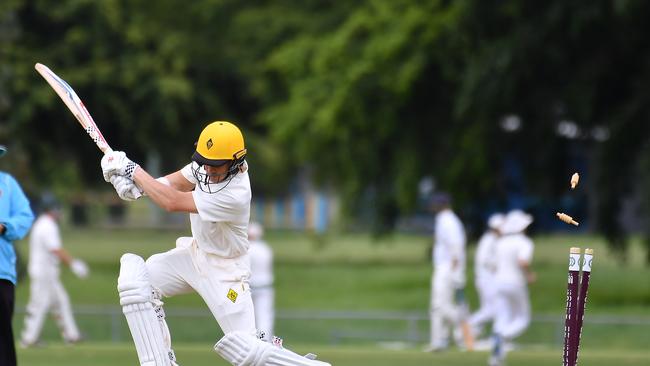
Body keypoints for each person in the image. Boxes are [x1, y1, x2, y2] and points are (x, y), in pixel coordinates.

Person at [101, 121, 330, 366]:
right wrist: (136, 188)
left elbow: (172, 202)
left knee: (249, 352)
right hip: (194, 255)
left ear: (236, 162)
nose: (208, 170)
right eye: (204, 162)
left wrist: (133, 171)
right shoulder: (208, 163)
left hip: (225, 272)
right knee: (137, 282)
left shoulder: (236, 194)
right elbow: (173, 183)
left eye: (216, 165)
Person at [21, 193, 89, 347]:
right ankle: (29, 338)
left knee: (61, 302)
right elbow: (55, 249)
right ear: (51, 209)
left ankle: (71, 335)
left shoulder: (42, 224)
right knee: (39, 304)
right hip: (43, 272)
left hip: (47, 272)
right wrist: (73, 264)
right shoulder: (47, 226)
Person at [0, 144, 35, 366]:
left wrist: (4, 226)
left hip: (2, 271)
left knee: (2, 336)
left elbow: (25, 217)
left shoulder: (7, 184)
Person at [488, 209, 536, 366]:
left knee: (502, 317)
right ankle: (502, 336)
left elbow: (493, 266)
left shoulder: (500, 242)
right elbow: (522, 261)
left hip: (498, 283)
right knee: (523, 318)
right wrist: (529, 275)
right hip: (515, 282)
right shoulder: (524, 242)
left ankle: (496, 357)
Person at [426, 192, 470, 352]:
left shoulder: (448, 221)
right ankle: (440, 340)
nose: (433, 206)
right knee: (439, 306)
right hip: (446, 267)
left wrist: (454, 269)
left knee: (439, 305)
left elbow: (456, 245)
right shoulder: (443, 219)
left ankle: (465, 327)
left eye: (436, 203)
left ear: (442, 204)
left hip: (448, 268)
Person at [469, 213, 505, 344]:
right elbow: (483, 259)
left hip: (489, 279)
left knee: (491, 309)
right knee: (491, 310)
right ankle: (467, 328)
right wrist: (496, 265)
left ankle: (473, 333)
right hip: (486, 279)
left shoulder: (494, 240)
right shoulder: (488, 240)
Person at [248, 222, 275, 341]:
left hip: (248, 287)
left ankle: (249, 340)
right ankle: (264, 340)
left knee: (247, 315)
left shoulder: (245, 247)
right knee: (263, 316)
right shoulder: (265, 248)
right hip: (265, 287)